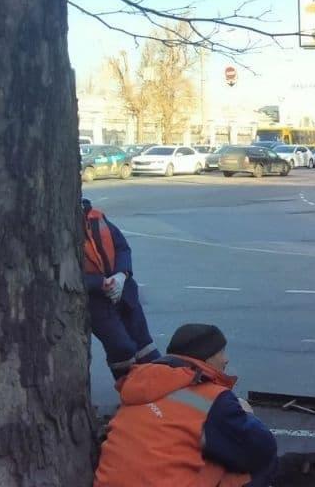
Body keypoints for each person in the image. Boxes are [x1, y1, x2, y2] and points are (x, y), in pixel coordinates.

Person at [95, 324, 278, 487]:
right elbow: (262, 447)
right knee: (260, 461)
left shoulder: (139, 383)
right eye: (221, 352)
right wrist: (248, 415)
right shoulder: (213, 399)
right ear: (206, 358)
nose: (226, 359)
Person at [82, 198, 160, 381]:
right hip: (97, 301)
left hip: (124, 291)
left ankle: (158, 386)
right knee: (121, 347)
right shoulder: (61, 227)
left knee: (144, 345)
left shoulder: (96, 217)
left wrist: (121, 275)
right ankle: (130, 390)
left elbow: (122, 247)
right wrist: (99, 283)